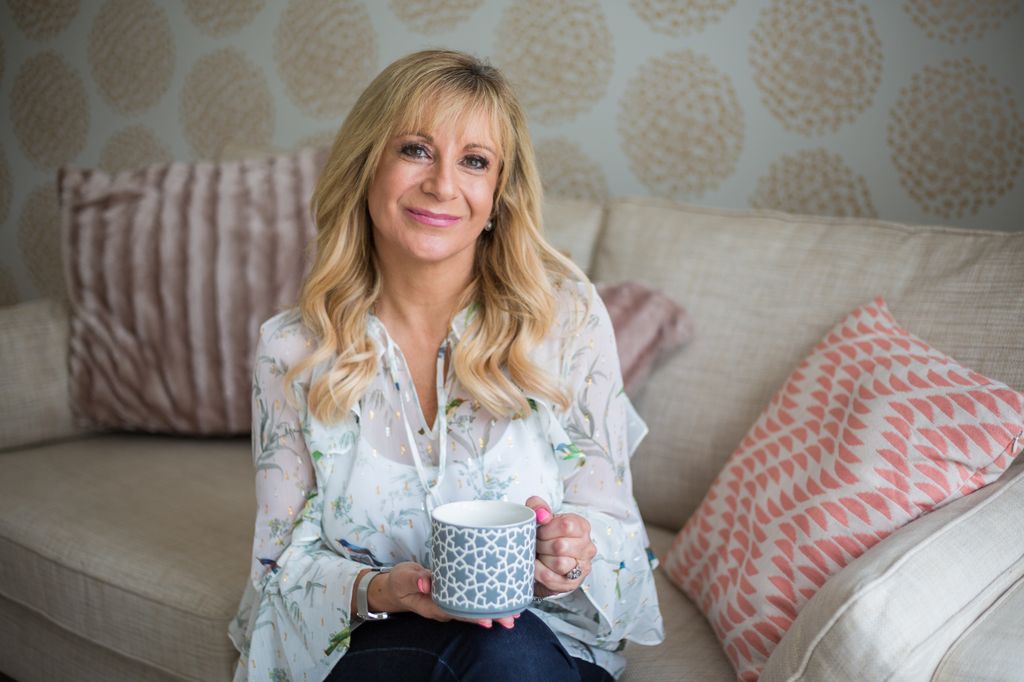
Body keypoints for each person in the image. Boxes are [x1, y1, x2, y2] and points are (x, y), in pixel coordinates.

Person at [228, 49, 664, 681]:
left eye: (475, 161)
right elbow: (277, 569)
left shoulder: (566, 319)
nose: (442, 184)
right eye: (415, 150)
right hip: (380, 645)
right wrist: (382, 591)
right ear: (366, 166)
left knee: (505, 652)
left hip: (545, 646)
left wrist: (571, 555)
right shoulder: (292, 350)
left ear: (497, 197)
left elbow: (616, 532)